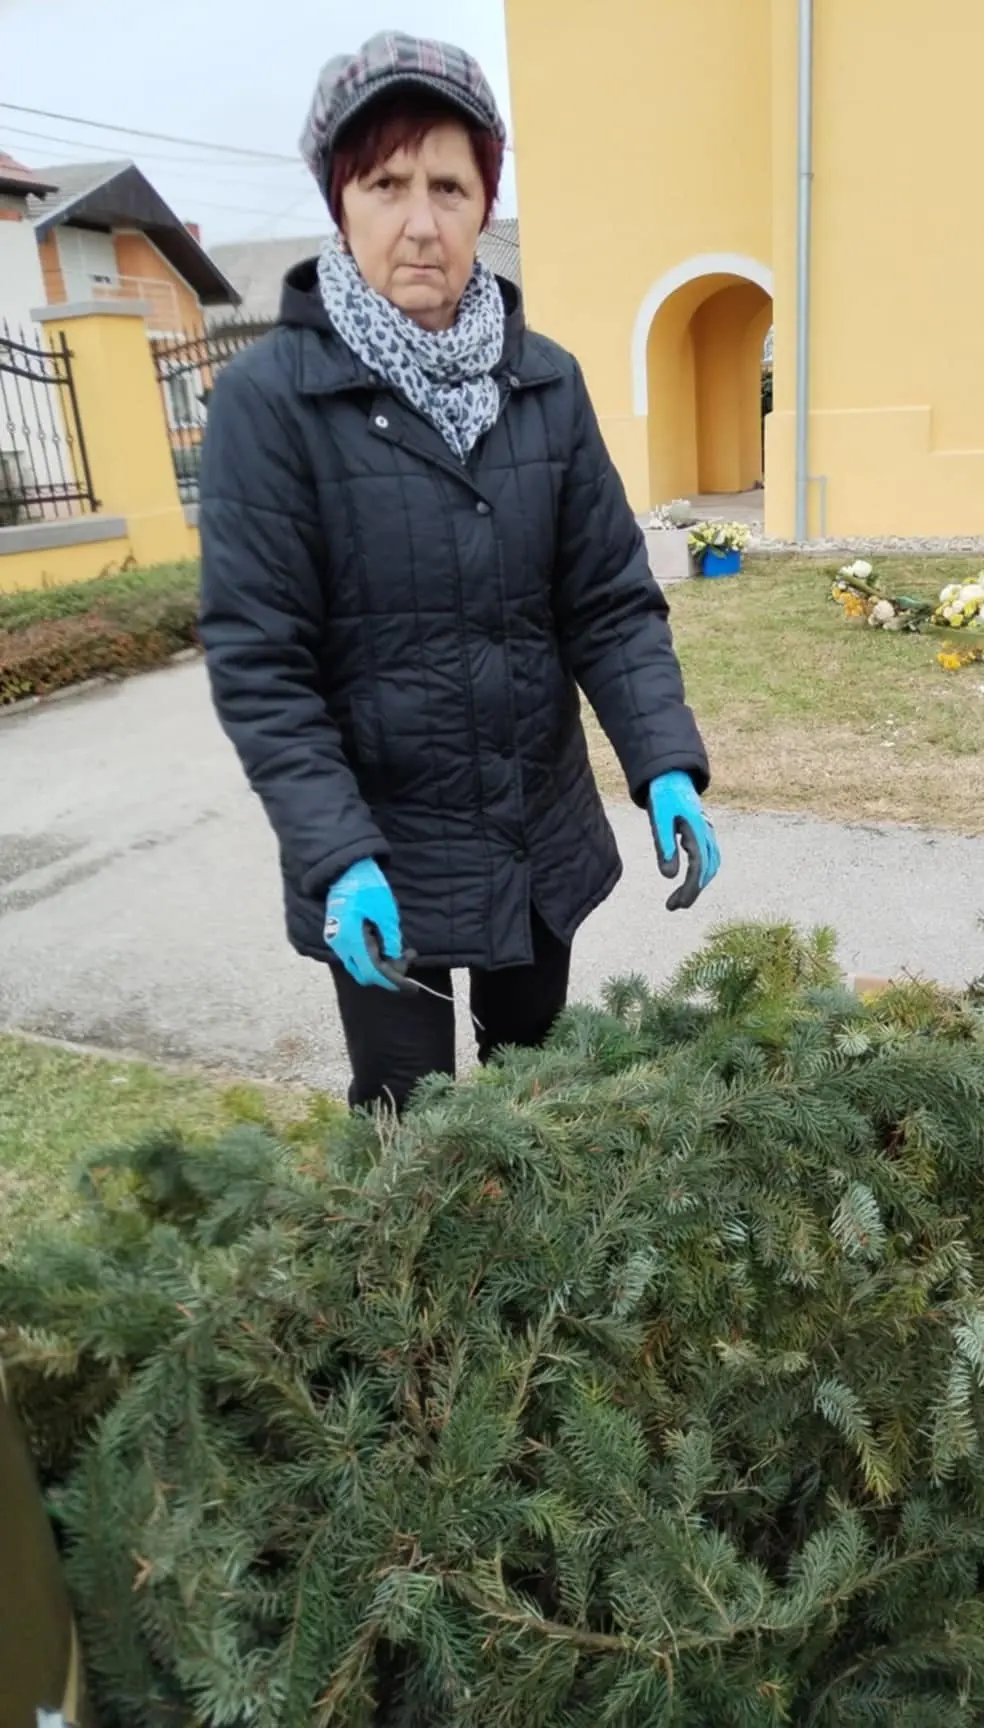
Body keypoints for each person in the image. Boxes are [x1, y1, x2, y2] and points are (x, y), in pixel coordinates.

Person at [197, 34, 720, 1111]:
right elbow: (262, 666)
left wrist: (662, 756)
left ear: (487, 199)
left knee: (538, 1109)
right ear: (339, 199)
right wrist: (338, 856)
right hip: (384, 858)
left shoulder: (547, 382)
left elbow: (609, 601)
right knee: (412, 1134)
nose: (421, 221)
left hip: (539, 837)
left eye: (450, 183)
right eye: (386, 184)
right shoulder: (271, 403)